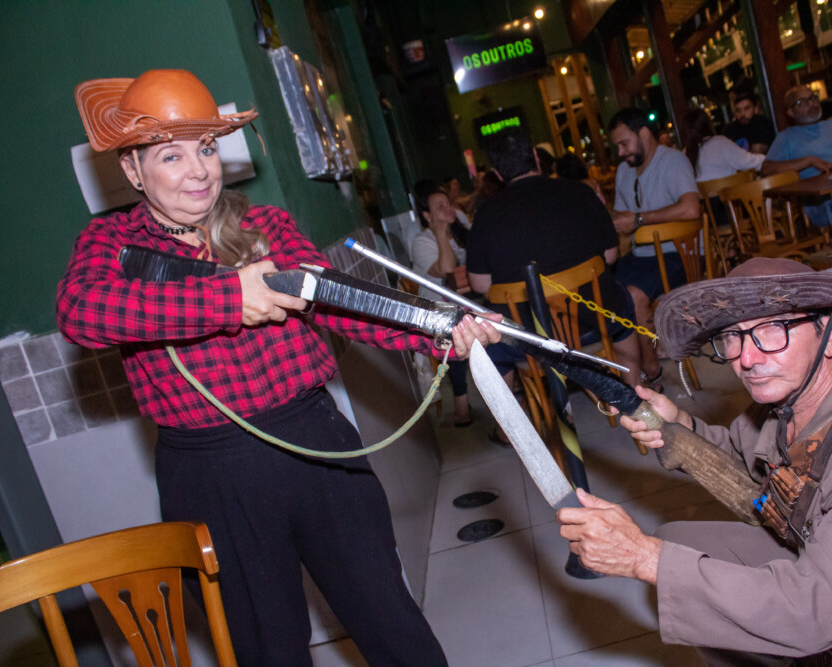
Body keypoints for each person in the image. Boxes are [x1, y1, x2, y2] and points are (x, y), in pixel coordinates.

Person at [57, 69, 501, 665]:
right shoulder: (109, 242)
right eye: (171, 156)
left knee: (390, 620)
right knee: (268, 648)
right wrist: (230, 298)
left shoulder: (264, 225)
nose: (199, 171)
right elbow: (81, 311)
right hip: (210, 472)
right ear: (133, 171)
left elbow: (339, 302)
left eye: (206, 149)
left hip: (316, 442)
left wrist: (439, 330)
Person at [558, 257, 832, 665]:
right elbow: (740, 455)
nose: (747, 358)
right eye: (732, 336)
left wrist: (642, 557)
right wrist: (676, 424)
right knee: (680, 545)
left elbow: (817, 610)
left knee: (674, 567)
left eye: (773, 329)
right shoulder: (791, 402)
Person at [466, 126, 643, 389]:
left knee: (488, 341)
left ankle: (514, 411)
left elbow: (480, 285)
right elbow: (610, 255)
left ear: (498, 174)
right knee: (621, 301)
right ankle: (636, 393)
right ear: (537, 157)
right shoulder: (580, 192)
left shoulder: (485, 217)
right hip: (596, 323)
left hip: (531, 341)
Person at [608, 107, 702, 389]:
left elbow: (691, 208)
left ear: (644, 133)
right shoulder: (623, 171)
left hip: (679, 255)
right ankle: (631, 367)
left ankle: (652, 371)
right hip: (642, 256)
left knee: (633, 295)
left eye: (624, 143)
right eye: (617, 146)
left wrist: (639, 219)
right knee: (602, 289)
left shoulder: (673, 161)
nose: (621, 152)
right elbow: (621, 222)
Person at [766, 85, 832, 241]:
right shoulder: (787, 137)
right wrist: (808, 161)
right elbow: (767, 169)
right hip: (822, 201)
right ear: (791, 112)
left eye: (813, 98)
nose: (812, 104)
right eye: (802, 102)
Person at [410, 179, 473, 426]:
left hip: (464, 300)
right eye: (440, 207)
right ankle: (461, 404)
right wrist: (439, 232)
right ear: (427, 216)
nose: (448, 209)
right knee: (454, 330)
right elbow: (446, 269)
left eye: (448, 204)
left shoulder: (460, 231)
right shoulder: (422, 242)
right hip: (435, 311)